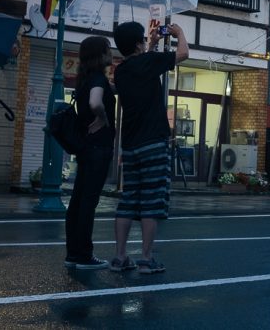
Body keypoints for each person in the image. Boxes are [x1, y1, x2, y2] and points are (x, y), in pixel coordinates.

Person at [111, 19, 188, 274]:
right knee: (152, 201)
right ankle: (146, 258)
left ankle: (120, 257)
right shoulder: (148, 63)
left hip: (130, 144)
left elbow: (142, 65)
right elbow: (183, 54)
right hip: (153, 142)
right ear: (136, 43)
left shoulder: (120, 71)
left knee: (128, 199)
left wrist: (152, 44)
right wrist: (178, 33)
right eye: (144, 39)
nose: (147, 41)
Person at [64, 36, 117, 270]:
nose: (111, 52)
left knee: (78, 200)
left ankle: (73, 253)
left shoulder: (84, 78)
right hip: (98, 147)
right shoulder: (97, 78)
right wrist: (103, 118)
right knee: (88, 201)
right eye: (107, 49)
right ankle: (84, 254)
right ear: (99, 54)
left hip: (86, 146)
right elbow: (96, 102)